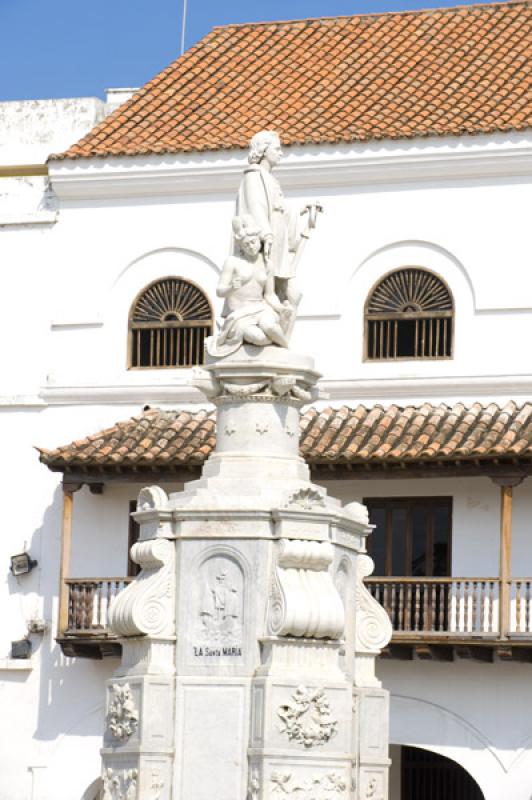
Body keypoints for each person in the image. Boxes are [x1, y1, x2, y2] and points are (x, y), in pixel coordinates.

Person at [236, 130, 321, 315]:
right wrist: (265, 235)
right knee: (278, 295)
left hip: (278, 243)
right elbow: (255, 207)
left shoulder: (270, 179)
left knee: (294, 296)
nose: (281, 153)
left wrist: (302, 210)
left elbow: (280, 211)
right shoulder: (253, 176)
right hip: (268, 244)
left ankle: (281, 340)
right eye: (277, 148)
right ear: (264, 151)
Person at [207, 215, 290, 357]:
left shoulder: (267, 264)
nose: (251, 247)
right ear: (241, 246)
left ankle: (286, 349)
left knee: (269, 326)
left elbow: (269, 295)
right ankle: (277, 344)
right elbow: (220, 291)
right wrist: (234, 285)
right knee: (257, 337)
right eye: (246, 244)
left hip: (261, 308)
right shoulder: (233, 262)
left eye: (253, 242)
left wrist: (280, 308)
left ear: (259, 241)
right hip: (240, 314)